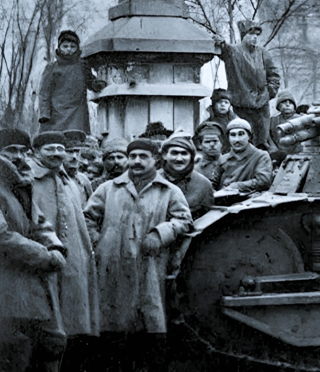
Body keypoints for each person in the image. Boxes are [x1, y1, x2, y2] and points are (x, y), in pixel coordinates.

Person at [83, 138, 192, 372]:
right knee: (113, 330)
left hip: (150, 266)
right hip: (113, 268)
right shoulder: (108, 189)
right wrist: (101, 243)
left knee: (149, 327)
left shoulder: (168, 191)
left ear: (156, 160)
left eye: (143, 157)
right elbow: (88, 218)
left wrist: (160, 234)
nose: (136, 162)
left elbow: (184, 220)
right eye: (132, 157)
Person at [0, 128, 67, 372]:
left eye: (22, 151)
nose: (17, 157)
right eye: (10, 150)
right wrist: (45, 256)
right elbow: (2, 236)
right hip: (6, 288)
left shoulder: (20, 183)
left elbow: (39, 222)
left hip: (30, 288)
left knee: (46, 348)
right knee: (12, 354)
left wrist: (55, 246)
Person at [27, 132, 101, 345]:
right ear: (36, 152)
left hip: (74, 256)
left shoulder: (72, 182)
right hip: (43, 255)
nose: (57, 153)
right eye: (50, 149)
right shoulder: (28, 179)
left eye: (61, 149)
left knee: (72, 316)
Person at [214, 20, 281, 148]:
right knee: (244, 140)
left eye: (257, 35)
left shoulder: (263, 53)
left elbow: (274, 75)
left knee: (263, 142)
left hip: (262, 106)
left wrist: (269, 93)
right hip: (241, 106)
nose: (254, 37)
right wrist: (219, 41)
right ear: (243, 35)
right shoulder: (233, 52)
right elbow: (223, 49)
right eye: (251, 34)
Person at [37, 30, 106, 135]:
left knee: (75, 139)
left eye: (72, 46)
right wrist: (44, 114)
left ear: (77, 48)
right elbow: (44, 92)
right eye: (65, 46)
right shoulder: (52, 68)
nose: (69, 49)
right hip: (56, 114)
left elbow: (90, 81)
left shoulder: (82, 66)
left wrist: (97, 85)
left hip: (76, 114)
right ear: (59, 48)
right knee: (54, 140)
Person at [161, 132, 214, 219]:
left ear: (191, 157)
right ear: (164, 155)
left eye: (184, 153)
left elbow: (208, 220)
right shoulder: (152, 181)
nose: (179, 159)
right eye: (174, 153)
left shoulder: (204, 185)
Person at [219, 118, 273, 195]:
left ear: (249, 136)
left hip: (248, 201)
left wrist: (236, 186)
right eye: (233, 135)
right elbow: (213, 182)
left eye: (241, 134)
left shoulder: (261, 156)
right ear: (228, 138)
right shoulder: (223, 158)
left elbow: (263, 181)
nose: (237, 139)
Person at [266, 89, 304, 166]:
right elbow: (267, 135)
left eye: (290, 103)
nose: (287, 105)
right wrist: (273, 148)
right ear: (278, 106)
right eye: (284, 102)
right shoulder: (273, 120)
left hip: (297, 155)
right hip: (277, 155)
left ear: (294, 106)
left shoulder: (302, 119)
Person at [194, 121, 226, 189]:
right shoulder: (194, 167)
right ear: (200, 145)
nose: (211, 145)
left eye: (215, 141)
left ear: (221, 143)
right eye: (207, 141)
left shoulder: (228, 164)